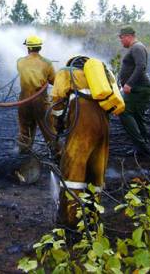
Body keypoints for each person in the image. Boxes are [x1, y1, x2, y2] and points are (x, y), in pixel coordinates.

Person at [51, 56, 110, 227]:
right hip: (104, 125)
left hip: (83, 125)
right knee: (96, 172)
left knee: (73, 171)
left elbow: (57, 100)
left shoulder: (67, 73)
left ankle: (70, 221)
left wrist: (58, 124)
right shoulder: (102, 76)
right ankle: (93, 218)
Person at [16, 35, 60, 158]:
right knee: (49, 129)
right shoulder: (47, 63)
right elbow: (53, 81)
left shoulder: (20, 61)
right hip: (41, 101)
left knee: (25, 129)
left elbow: (24, 73)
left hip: (24, 101)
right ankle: (58, 155)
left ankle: (23, 156)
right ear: (39, 47)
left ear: (28, 48)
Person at [118, 26, 150, 157]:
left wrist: (129, 84)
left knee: (124, 111)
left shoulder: (137, 47)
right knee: (138, 117)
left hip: (139, 89)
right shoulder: (134, 48)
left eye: (121, 38)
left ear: (128, 36)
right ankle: (143, 148)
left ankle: (141, 146)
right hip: (138, 89)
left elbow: (141, 66)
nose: (121, 41)